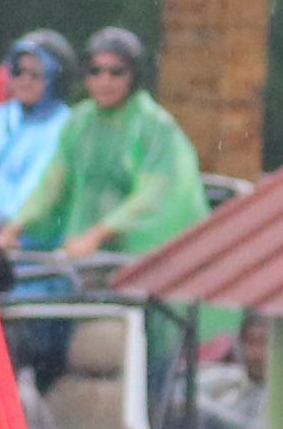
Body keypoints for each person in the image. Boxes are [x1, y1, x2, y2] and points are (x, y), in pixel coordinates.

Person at [14, 30, 211, 267]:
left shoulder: (154, 127)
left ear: (133, 76)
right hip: (83, 258)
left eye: (116, 72)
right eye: (95, 71)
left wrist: (97, 235)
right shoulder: (80, 122)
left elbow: (155, 196)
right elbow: (52, 184)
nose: (104, 81)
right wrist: (15, 227)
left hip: (144, 263)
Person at [0, 32, 72, 231]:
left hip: (28, 244)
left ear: (57, 79)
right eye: (18, 71)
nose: (24, 80)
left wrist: (6, 224)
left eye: (36, 74)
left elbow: (39, 188)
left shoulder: (66, 125)